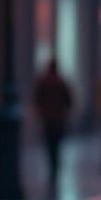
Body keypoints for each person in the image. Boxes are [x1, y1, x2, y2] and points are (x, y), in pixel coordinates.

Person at [32, 57, 74, 192]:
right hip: (58, 120)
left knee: (50, 144)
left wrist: (41, 112)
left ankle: (52, 168)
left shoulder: (43, 82)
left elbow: (37, 99)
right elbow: (69, 100)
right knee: (56, 146)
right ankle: (55, 169)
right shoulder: (60, 82)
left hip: (47, 119)